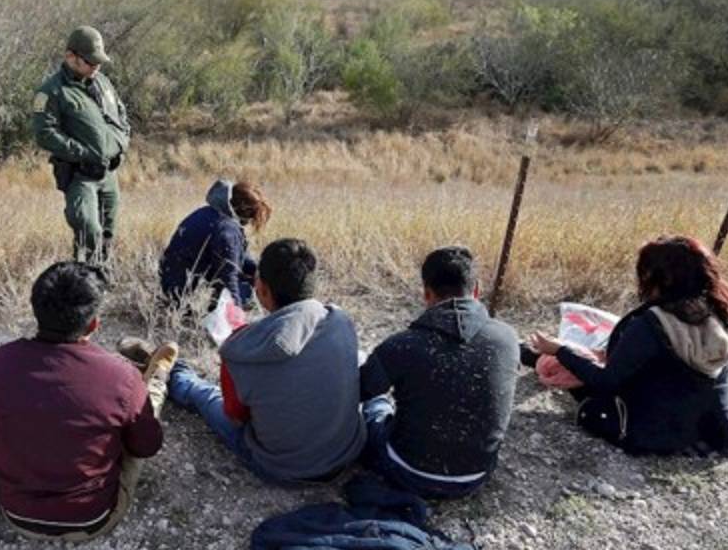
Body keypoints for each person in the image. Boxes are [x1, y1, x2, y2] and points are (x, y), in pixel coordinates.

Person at [0, 262, 178, 541]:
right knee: (142, 403)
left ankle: (148, 374)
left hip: (17, 514)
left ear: (36, 310)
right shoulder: (120, 377)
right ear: (93, 324)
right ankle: (158, 376)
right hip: (91, 518)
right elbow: (146, 446)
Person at [167, 238, 366, 484]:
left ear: (262, 289)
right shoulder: (341, 321)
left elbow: (236, 417)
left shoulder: (239, 348)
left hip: (281, 467)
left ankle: (178, 376)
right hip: (347, 454)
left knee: (206, 396)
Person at [528, 235, 728, 456]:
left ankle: (527, 353)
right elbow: (713, 387)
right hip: (710, 434)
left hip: (649, 434)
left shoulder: (652, 323)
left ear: (658, 278)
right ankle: (529, 354)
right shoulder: (719, 316)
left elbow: (606, 381)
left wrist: (560, 351)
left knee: (575, 371)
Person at [359, 246, 519, 499]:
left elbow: (360, 391)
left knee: (376, 406)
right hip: (476, 475)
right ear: (476, 290)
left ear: (427, 293)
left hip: (407, 471)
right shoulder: (507, 338)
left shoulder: (402, 344)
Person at [33, 26, 131, 265]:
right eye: (90, 61)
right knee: (88, 228)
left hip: (109, 173)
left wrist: (122, 141)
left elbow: (120, 114)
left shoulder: (103, 83)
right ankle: (84, 276)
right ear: (71, 57)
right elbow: (45, 134)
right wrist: (83, 153)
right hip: (80, 175)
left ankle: (100, 276)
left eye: (99, 61)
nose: (96, 66)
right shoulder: (52, 91)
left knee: (107, 235)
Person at [159, 179, 271, 309]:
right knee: (247, 291)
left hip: (174, 278)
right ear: (244, 211)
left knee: (251, 281)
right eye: (252, 216)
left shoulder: (211, 213)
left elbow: (240, 256)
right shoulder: (226, 229)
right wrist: (237, 313)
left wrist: (261, 272)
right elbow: (229, 277)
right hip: (184, 291)